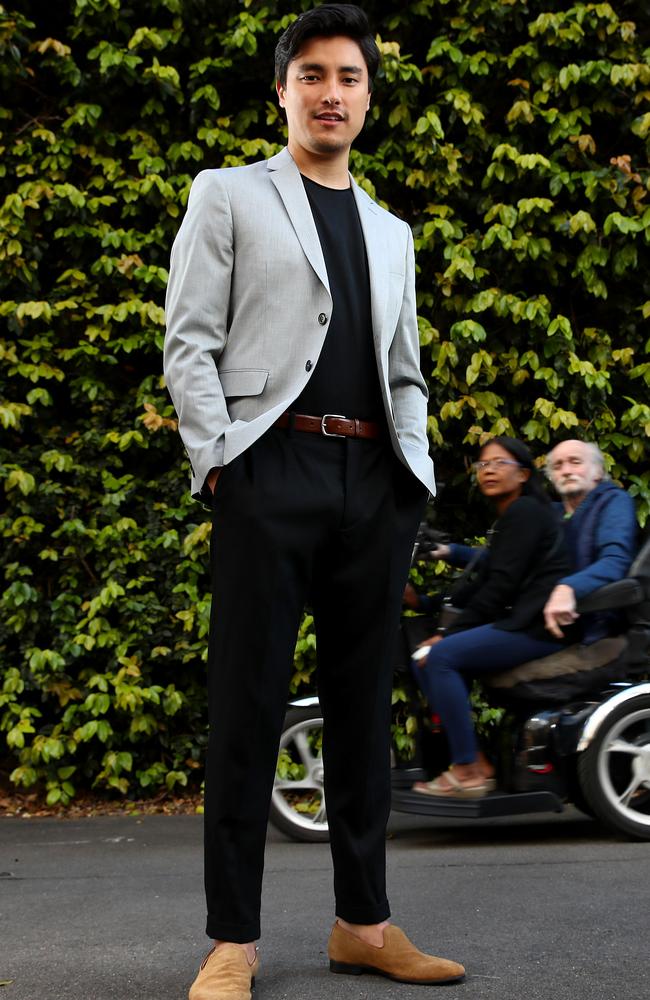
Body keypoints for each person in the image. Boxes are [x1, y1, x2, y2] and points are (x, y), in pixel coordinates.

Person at [164, 6, 465, 998]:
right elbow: (189, 340)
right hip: (269, 475)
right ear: (281, 90)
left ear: (368, 95)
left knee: (360, 716)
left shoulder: (391, 232)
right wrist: (219, 465)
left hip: (371, 486)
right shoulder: (229, 194)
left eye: (347, 75)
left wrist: (409, 479)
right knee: (245, 708)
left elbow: (405, 371)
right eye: (310, 74)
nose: (330, 90)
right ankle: (231, 941)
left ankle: (362, 923)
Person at [412, 437, 571, 799]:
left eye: (500, 463)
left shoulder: (525, 512)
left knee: (440, 657)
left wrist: (449, 635)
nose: (489, 471)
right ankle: (476, 762)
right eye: (483, 465)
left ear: (523, 474)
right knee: (424, 661)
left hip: (536, 627)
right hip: (519, 622)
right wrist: (425, 602)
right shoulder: (511, 516)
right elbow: (483, 577)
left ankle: (468, 771)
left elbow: (499, 585)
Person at [543, 439, 637, 641]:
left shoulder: (613, 501)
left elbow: (615, 560)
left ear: (598, 472)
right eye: (557, 466)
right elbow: (511, 560)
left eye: (575, 462)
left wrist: (568, 587)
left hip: (595, 626)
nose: (566, 470)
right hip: (539, 620)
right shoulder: (549, 514)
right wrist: (457, 552)